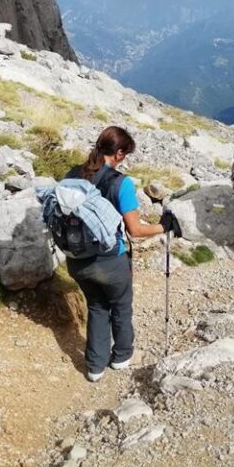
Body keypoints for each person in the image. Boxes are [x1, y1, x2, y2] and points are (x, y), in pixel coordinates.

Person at [64, 126, 180, 382]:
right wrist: (164, 226)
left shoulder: (73, 174)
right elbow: (135, 230)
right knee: (120, 306)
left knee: (96, 306)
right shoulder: (121, 183)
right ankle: (121, 356)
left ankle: (95, 367)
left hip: (77, 258)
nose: (124, 159)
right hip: (109, 260)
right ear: (118, 153)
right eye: (125, 154)